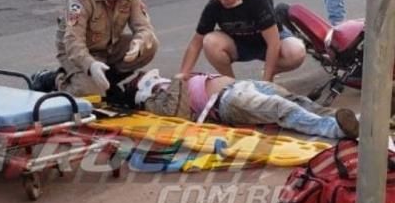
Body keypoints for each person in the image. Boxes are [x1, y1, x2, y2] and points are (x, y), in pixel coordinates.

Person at [31, 0, 159, 96]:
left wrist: (140, 41)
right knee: (90, 93)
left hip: (108, 45)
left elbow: (143, 26)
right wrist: (90, 65)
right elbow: (73, 41)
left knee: (150, 45)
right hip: (77, 50)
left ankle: (107, 82)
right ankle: (53, 80)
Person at [111, 69, 359, 139]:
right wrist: (179, 79)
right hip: (227, 101)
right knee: (282, 109)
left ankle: (353, 122)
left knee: (297, 100)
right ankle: (335, 130)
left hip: (241, 85)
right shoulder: (157, 105)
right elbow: (178, 113)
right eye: (143, 79)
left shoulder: (167, 88)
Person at [178, 0, 306, 82]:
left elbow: (273, 43)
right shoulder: (213, 6)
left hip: (267, 42)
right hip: (239, 45)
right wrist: (183, 75)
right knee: (209, 41)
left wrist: (266, 82)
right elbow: (196, 44)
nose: (222, 1)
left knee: (296, 52)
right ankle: (232, 84)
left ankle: (270, 71)